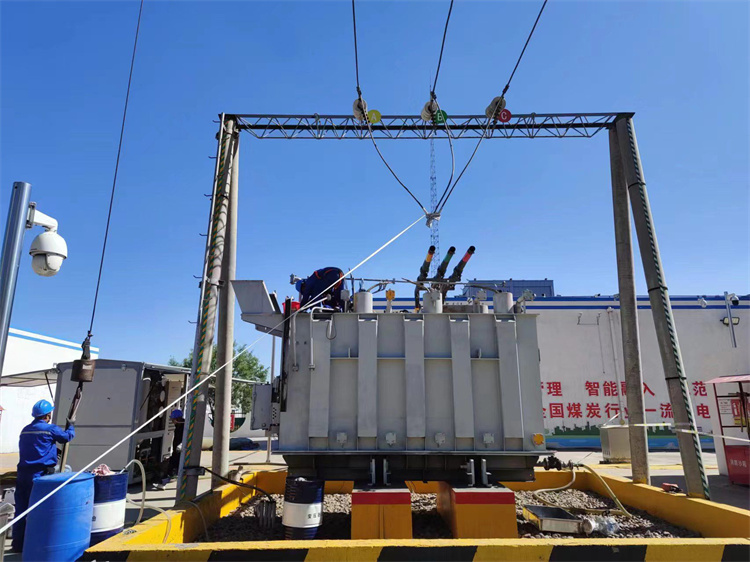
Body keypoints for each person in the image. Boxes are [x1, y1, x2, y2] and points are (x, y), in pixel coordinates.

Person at [12, 399, 75, 552]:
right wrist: (71, 426)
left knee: (21, 509)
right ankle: (37, 544)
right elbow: (66, 437)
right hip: (40, 474)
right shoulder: (50, 429)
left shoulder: (25, 430)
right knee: (40, 509)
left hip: (23, 474)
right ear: (48, 415)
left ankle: (17, 544)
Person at [167, 409, 185, 477]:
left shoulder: (184, 427)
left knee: (174, 463)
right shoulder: (178, 426)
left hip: (181, 450)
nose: (172, 421)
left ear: (177, 419)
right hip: (176, 450)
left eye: (173, 419)